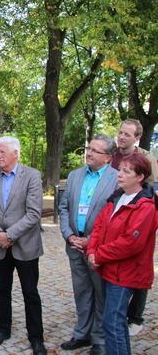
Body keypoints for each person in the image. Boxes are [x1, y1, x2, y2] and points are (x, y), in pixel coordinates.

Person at [0, 136, 47, 355]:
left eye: (2, 152)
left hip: (25, 245)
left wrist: (10, 235)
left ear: (16, 153)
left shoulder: (32, 176)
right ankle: (3, 328)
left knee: (30, 292)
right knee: (2, 291)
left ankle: (36, 337)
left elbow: (34, 213)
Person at [87, 152, 157, 355]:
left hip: (126, 274)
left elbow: (130, 243)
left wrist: (98, 255)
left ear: (140, 177)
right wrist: (92, 249)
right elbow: (99, 225)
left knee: (113, 322)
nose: (120, 174)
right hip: (110, 270)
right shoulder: (117, 197)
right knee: (115, 321)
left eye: (126, 171)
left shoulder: (146, 206)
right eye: (120, 170)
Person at [58, 135, 118, 355]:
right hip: (74, 244)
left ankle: (99, 339)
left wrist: (91, 240)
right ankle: (81, 334)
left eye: (95, 151)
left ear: (108, 158)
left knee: (100, 293)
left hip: (98, 248)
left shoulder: (117, 178)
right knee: (81, 291)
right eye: (88, 148)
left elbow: (115, 217)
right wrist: (68, 235)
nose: (89, 153)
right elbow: (63, 208)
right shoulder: (74, 176)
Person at [110, 118, 157, 336]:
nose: (121, 137)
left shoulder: (146, 158)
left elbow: (153, 190)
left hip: (138, 217)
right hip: (114, 213)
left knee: (138, 267)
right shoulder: (112, 155)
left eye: (127, 134)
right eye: (120, 132)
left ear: (136, 138)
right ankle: (112, 310)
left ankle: (135, 316)